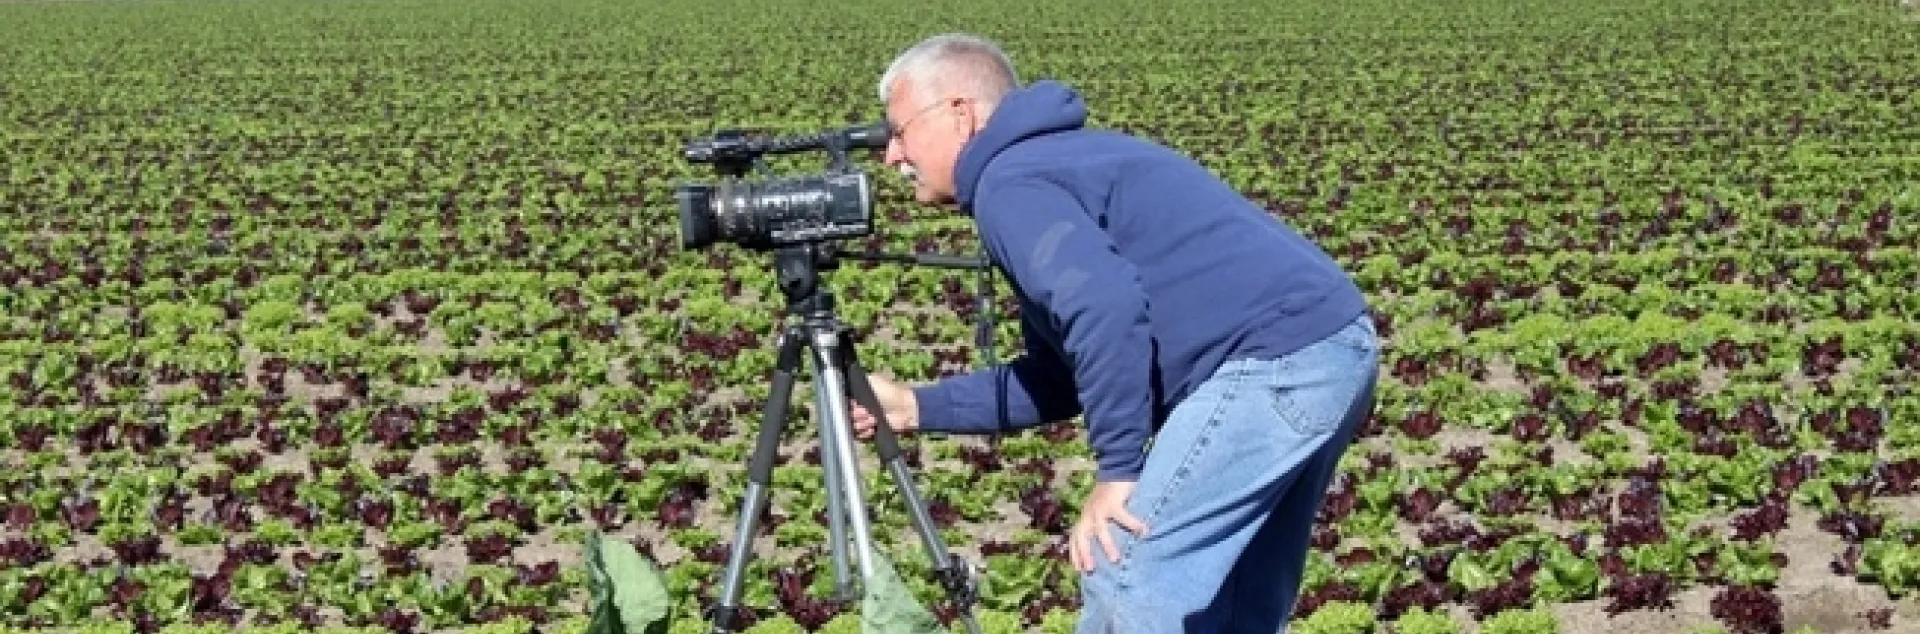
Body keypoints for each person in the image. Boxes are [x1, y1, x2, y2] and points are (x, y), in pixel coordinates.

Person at [851, 32, 1381, 633]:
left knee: (1122, 565)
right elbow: (1061, 374)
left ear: (959, 112)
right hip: (1326, 350)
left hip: (1275, 363)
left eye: (898, 131)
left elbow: (1102, 307)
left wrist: (1118, 471)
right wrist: (917, 407)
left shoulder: (1010, 184)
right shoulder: (1054, 162)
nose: (891, 155)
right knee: (1231, 613)